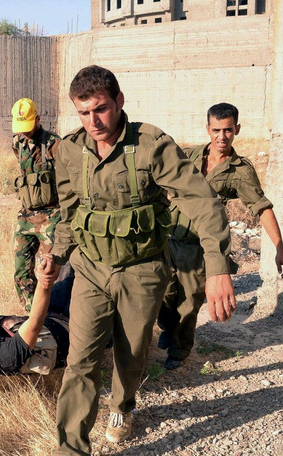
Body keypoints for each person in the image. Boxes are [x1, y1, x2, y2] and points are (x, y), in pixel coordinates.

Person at [41, 65, 237, 454]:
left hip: (143, 270)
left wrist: (217, 268)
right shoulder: (70, 151)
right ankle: (71, 448)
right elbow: (68, 212)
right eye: (83, 113)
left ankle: (122, 406)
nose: (93, 121)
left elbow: (203, 202)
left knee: (130, 355)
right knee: (81, 361)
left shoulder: (151, 145)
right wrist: (56, 254)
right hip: (92, 270)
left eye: (100, 109)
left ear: (119, 102)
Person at [158, 103, 283, 370]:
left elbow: (261, 208)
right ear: (208, 129)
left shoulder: (240, 170)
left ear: (237, 129)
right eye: (216, 130)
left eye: (228, 130)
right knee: (163, 294)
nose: (221, 137)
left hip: (200, 248)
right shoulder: (189, 156)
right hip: (168, 238)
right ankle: (168, 329)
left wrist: (279, 246)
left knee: (189, 302)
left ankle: (179, 350)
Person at [11, 98, 62, 311]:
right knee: (21, 270)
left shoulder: (55, 144)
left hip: (51, 216)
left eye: (28, 127)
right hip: (26, 216)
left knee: (48, 271)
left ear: (38, 119)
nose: (25, 132)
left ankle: (55, 314)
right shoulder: (17, 144)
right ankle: (33, 315)